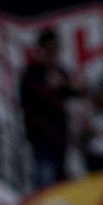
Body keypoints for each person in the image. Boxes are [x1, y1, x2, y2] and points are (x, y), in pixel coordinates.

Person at [19, 28, 76, 188]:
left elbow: (72, 91)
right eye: (52, 47)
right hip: (41, 134)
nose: (55, 52)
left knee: (60, 179)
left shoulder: (60, 70)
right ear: (43, 48)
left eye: (57, 48)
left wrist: (72, 87)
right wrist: (49, 87)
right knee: (44, 177)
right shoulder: (32, 72)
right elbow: (28, 97)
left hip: (59, 135)